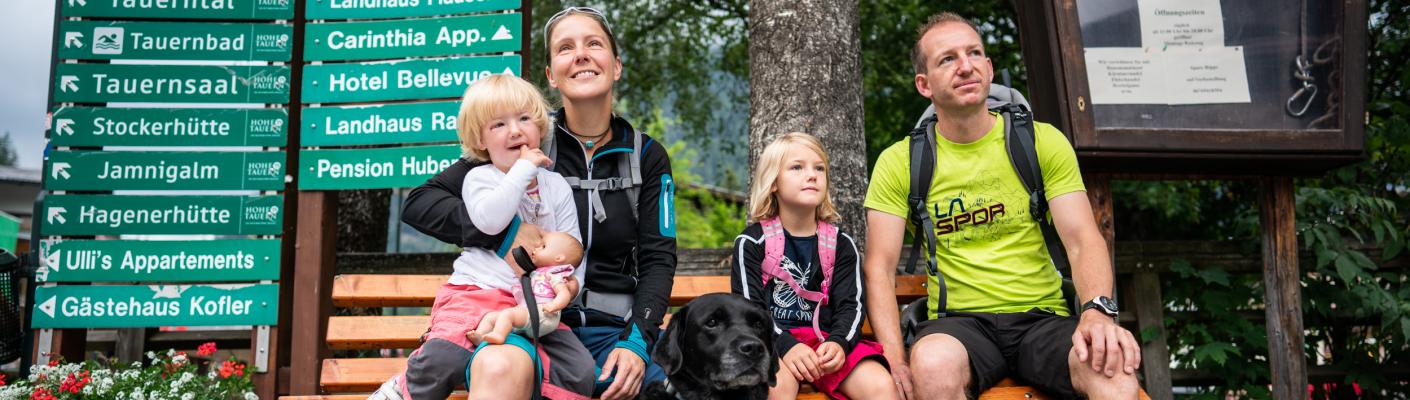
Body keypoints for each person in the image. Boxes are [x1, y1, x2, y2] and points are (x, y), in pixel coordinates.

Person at [861, 12, 1142, 400]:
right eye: (947, 59)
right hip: (958, 325)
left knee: (1112, 370)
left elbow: (1081, 239)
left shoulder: (1040, 142)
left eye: (974, 53)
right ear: (924, 85)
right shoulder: (901, 162)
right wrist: (895, 357)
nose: (965, 66)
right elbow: (879, 267)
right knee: (931, 366)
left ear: (989, 68)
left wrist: (1096, 311)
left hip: (1044, 318)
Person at [400, 7, 676, 400]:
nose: (580, 54)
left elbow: (659, 258)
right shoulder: (524, 137)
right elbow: (422, 204)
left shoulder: (644, 156)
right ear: (551, 75)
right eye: (565, 48)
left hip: (613, 329)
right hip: (529, 319)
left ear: (616, 66)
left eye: (593, 44)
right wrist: (510, 236)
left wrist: (637, 343)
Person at [374, 74, 597, 400]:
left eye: (524, 119)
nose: (516, 130)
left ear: (539, 127)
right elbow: (490, 221)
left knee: (580, 369)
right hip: (475, 294)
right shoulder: (480, 178)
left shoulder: (556, 186)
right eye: (499, 125)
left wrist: (568, 286)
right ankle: (401, 390)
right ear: (480, 141)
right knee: (446, 355)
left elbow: (570, 249)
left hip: (532, 304)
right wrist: (522, 170)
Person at [730, 133, 900, 400]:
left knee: (880, 386)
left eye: (819, 168)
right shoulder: (752, 242)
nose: (811, 175)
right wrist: (786, 346)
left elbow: (852, 305)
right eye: (797, 167)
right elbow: (748, 310)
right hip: (772, 341)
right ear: (774, 182)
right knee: (776, 388)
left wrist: (839, 342)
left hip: (825, 344)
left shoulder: (840, 244)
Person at [472, 231, 583, 345]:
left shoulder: (554, 275)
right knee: (491, 317)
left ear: (558, 258)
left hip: (544, 315)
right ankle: (480, 336)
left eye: (543, 246)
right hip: (528, 313)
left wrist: (554, 305)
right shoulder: (537, 273)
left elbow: (564, 294)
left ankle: (499, 335)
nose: (536, 248)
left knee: (508, 314)